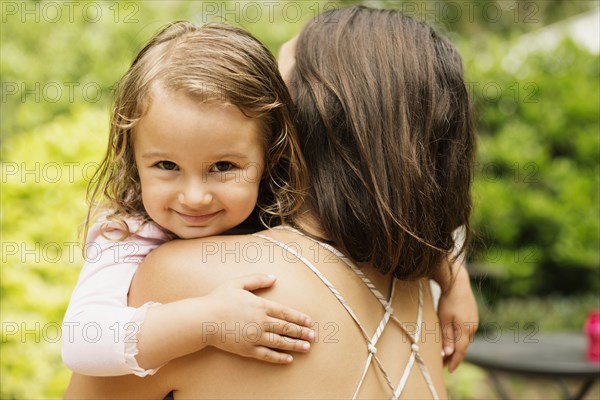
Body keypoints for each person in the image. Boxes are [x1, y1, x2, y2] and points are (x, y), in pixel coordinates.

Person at [65, 5, 478, 398]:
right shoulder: (416, 280)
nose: (194, 196)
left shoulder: (182, 276)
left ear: (305, 120)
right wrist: (452, 277)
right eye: (167, 165)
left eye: (283, 78)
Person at [61, 21, 316, 377]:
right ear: (132, 158)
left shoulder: (288, 223)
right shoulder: (129, 236)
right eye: (167, 165)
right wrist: (208, 320)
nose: (195, 197)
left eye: (223, 166)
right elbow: (81, 341)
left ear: (270, 157)